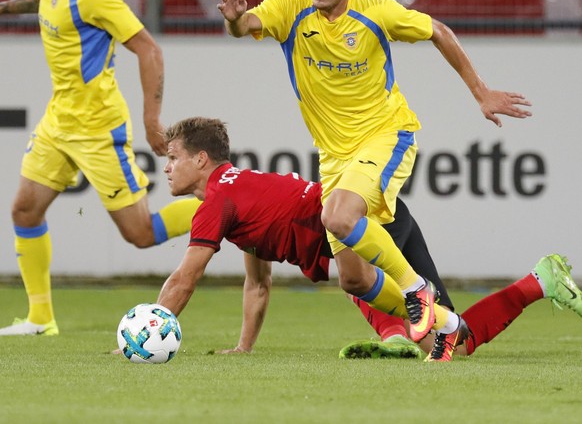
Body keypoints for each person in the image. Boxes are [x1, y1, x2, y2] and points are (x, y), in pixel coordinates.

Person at [217, 0, 533, 359]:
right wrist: (235, 18)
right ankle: (448, 324)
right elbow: (246, 26)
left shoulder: (376, 12)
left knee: (338, 215)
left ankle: (417, 292)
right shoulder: (291, 7)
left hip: (387, 136)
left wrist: (481, 92)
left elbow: (437, 30)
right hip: (336, 159)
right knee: (354, 279)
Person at [151, 117, 582, 363]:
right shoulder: (237, 191)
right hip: (362, 233)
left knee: (454, 340)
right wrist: (244, 347)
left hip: (368, 231)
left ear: (201, 159)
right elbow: (257, 283)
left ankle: (539, 281)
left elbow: (184, 279)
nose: (167, 168)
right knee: (357, 283)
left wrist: (144, 334)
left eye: (173, 158)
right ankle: (402, 334)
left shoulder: (218, 202)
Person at [0, 0, 198, 337]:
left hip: (96, 127)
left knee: (141, 233)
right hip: (58, 122)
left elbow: (149, 49)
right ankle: (39, 319)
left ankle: (221, 208)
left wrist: (151, 121)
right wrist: (6, 9)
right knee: (25, 211)